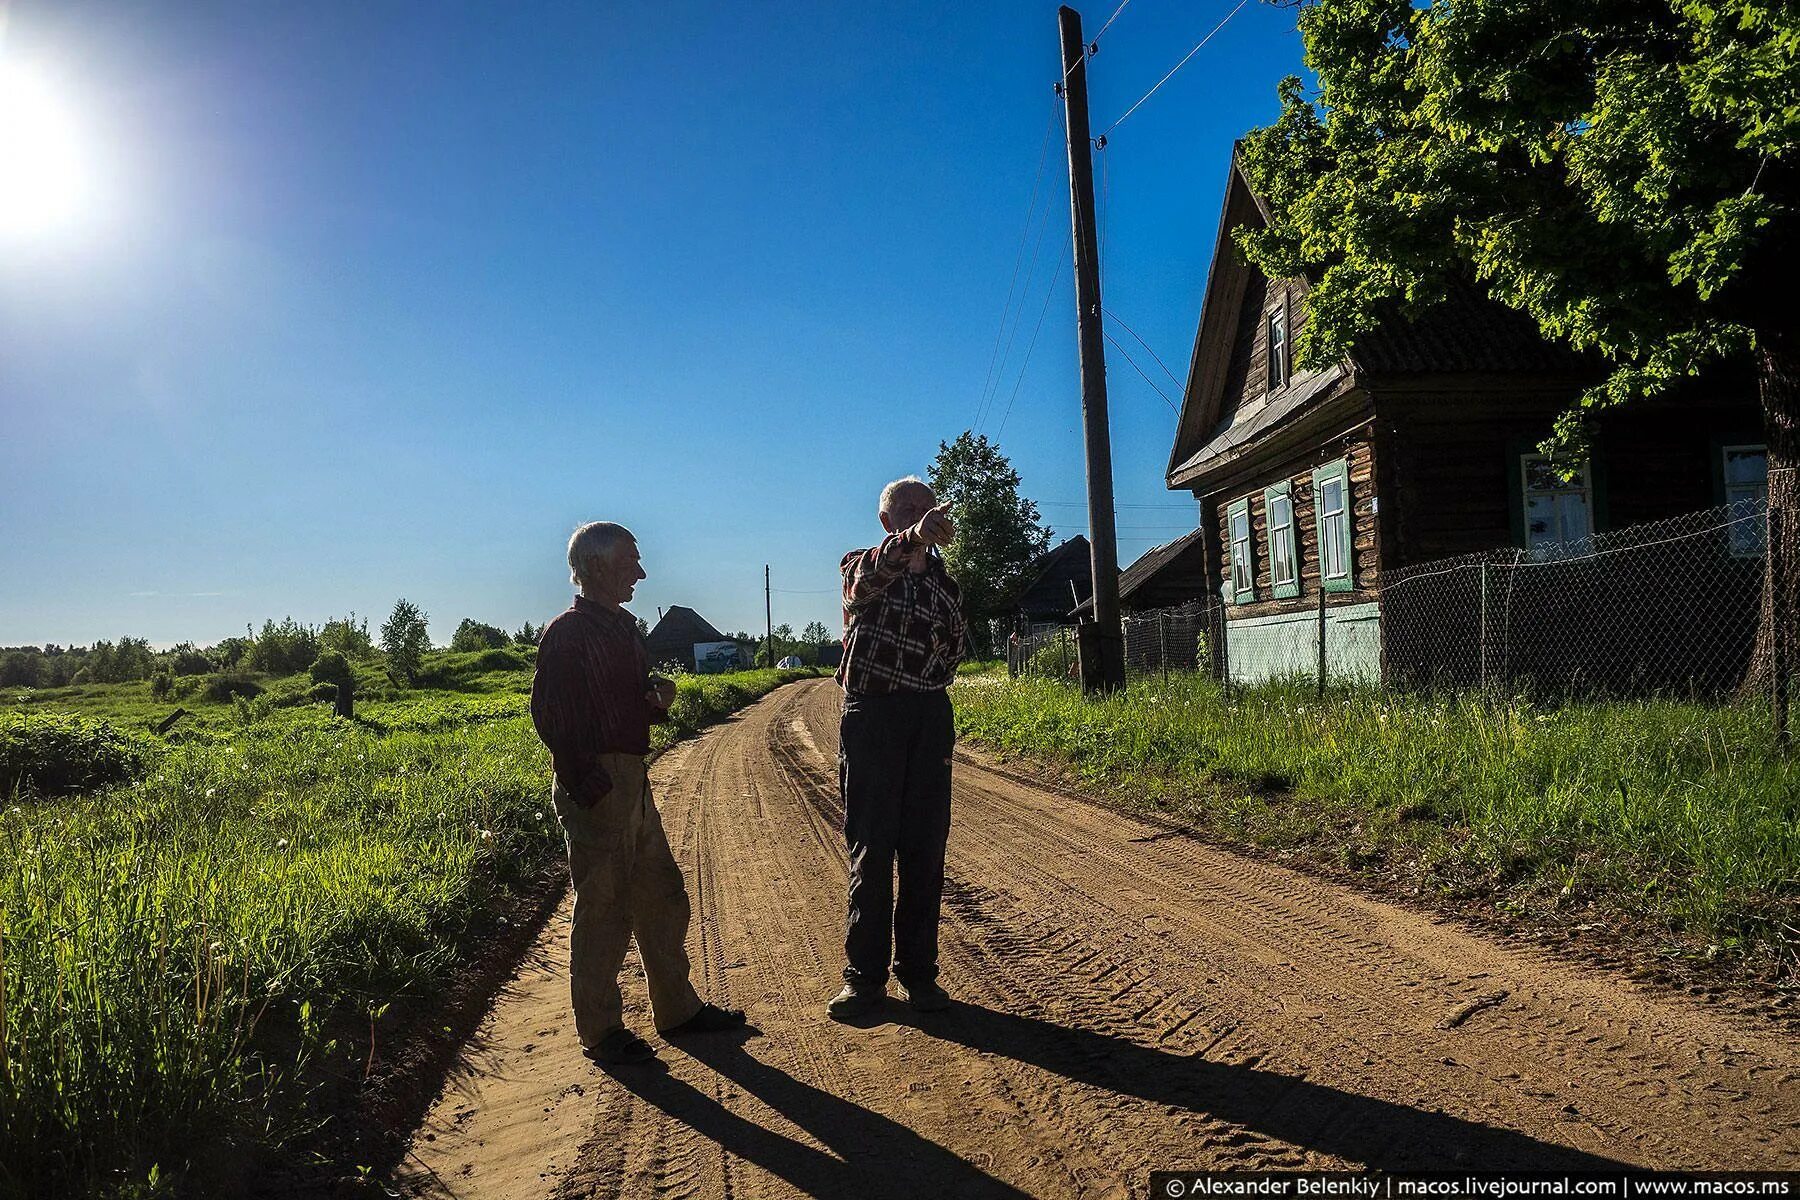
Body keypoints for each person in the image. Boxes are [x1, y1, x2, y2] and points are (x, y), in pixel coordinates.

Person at [529, 521, 746, 1064]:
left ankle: (678, 1010)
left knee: (661, 893)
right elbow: (553, 717)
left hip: (632, 776)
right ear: (598, 566)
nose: (641, 573)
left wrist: (653, 700)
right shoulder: (568, 633)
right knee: (603, 907)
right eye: (632, 562)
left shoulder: (622, 630)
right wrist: (590, 784)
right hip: (599, 782)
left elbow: (617, 700)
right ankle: (601, 1032)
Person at [829, 477, 968, 1019]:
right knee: (872, 846)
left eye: (926, 506)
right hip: (873, 716)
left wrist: (930, 672)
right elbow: (862, 586)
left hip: (929, 716)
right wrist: (911, 539)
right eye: (906, 510)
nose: (920, 514)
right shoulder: (861, 564)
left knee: (925, 850)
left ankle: (920, 977)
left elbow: (956, 649)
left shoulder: (946, 586)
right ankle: (864, 981)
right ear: (887, 522)